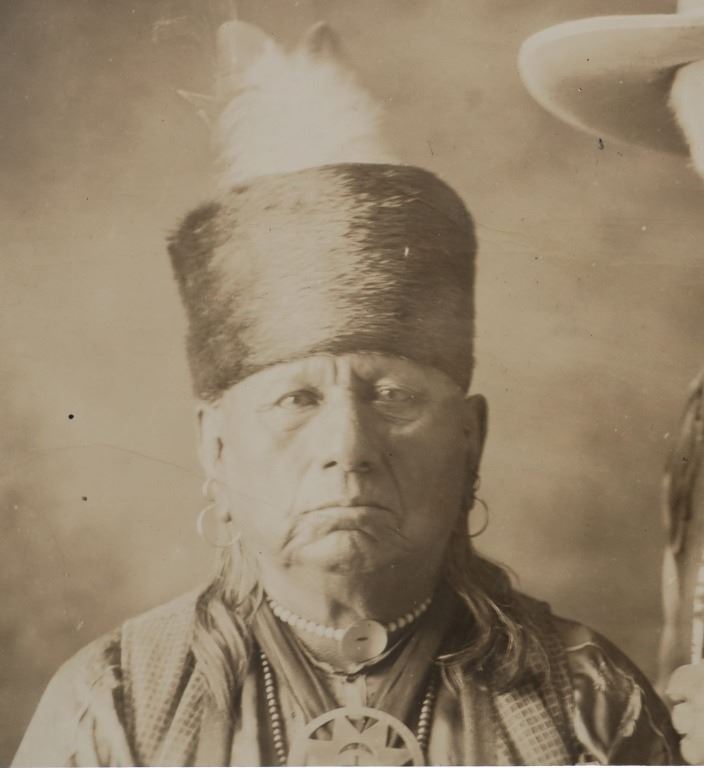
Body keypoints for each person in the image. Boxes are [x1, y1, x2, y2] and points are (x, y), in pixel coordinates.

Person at [10, 15, 697, 767]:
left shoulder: (588, 703)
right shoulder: (115, 706)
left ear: (470, 438)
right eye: (296, 400)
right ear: (215, 444)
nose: (348, 447)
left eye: (395, 397)